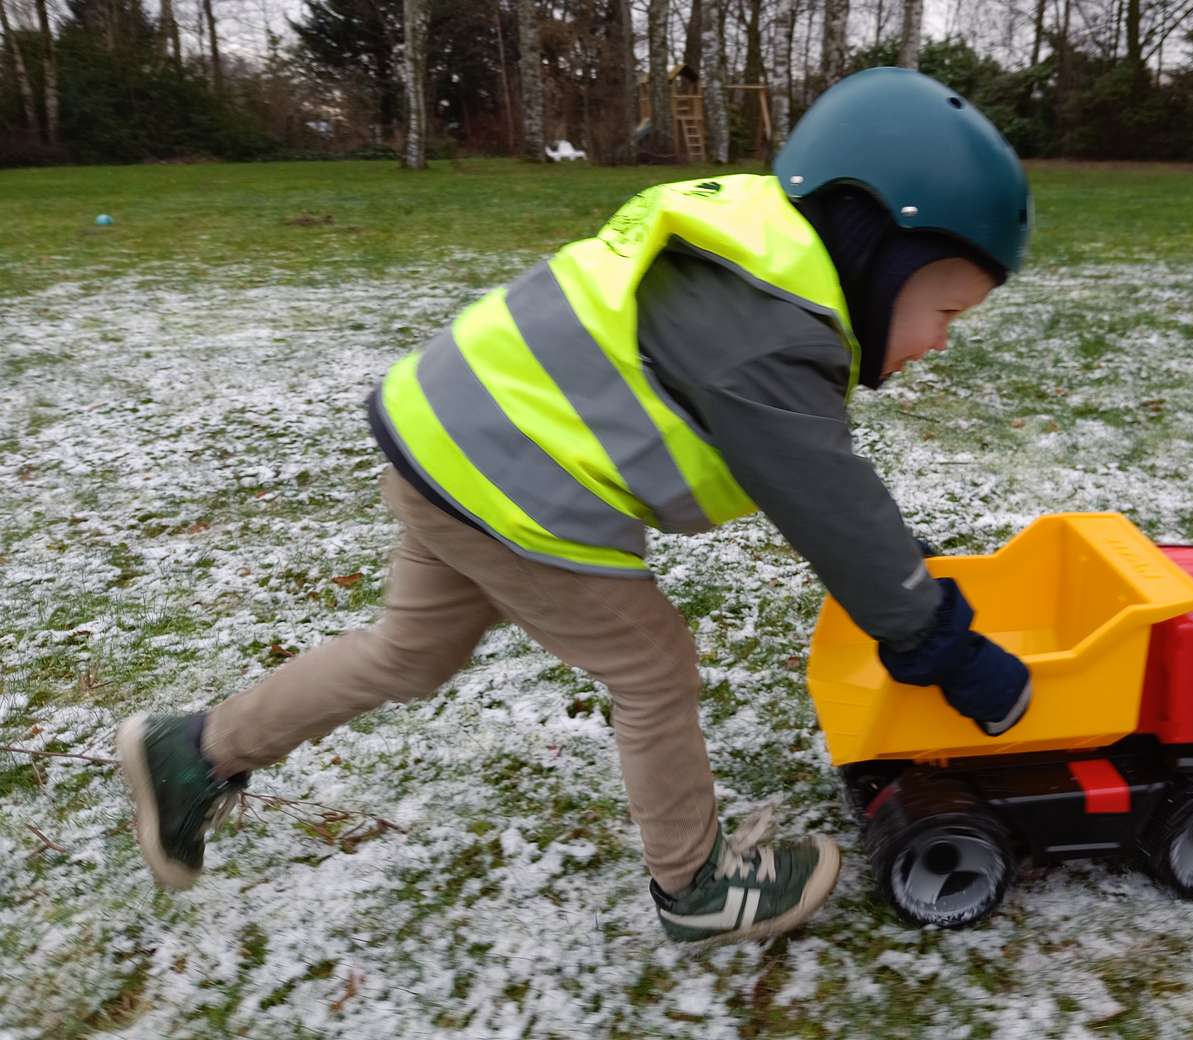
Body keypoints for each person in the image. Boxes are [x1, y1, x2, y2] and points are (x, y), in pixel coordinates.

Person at [116, 67, 1035, 947]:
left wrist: (892, 555)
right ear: (877, 252)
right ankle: (696, 884)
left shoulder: (753, 263)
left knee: (409, 651)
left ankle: (195, 750)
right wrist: (937, 642)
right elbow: (829, 501)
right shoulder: (770, 335)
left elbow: (820, 480)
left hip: (446, 436)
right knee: (653, 667)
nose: (944, 341)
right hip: (516, 484)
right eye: (946, 309)